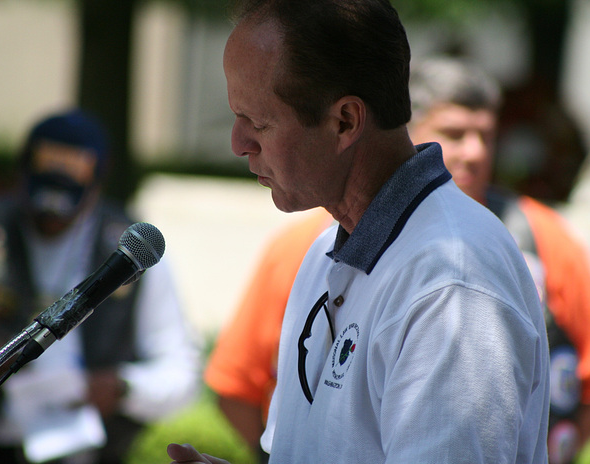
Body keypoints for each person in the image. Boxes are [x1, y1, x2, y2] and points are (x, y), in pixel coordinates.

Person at [169, 1, 550, 463]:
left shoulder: (452, 283)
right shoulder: (327, 251)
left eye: (258, 122)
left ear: (345, 121)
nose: (238, 143)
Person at [406, 57, 590, 464]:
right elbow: (247, 382)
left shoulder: (549, 239)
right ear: (405, 133)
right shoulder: (335, 238)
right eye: (453, 134)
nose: (473, 152)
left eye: (485, 136)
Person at [0, 109, 200, 464]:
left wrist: (123, 388)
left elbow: (181, 372)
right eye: (42, 195)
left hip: (89, 451)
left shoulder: (131, 250)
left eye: (67, 199)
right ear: (20, 176)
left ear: (97, 184)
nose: (52, 215)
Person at [204, 207, 333, 460]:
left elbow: (235, 391)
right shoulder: (301, 241)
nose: (253, 165)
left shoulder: (300, 240)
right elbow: (234, 386)